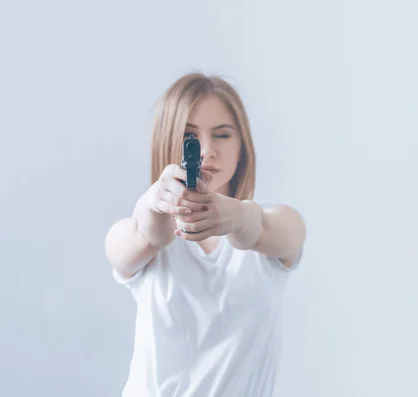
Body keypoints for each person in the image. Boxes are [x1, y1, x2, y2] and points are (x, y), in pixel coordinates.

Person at [104, 72, 306, 397]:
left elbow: (265, 232)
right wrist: (155, 210)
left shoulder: (279, 222)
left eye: (222, 135)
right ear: (168, 141)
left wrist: (239, 217)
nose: (207, 150)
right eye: (190, 136)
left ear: (242, 146)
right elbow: (138, 239)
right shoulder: (136, 232)